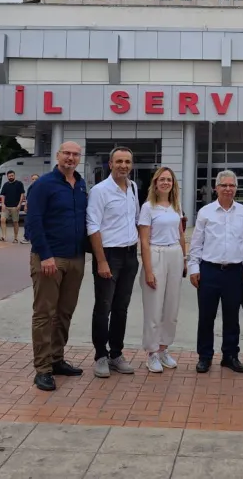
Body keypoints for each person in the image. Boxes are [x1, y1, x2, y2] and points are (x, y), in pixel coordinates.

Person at [25, 142, 88, 392]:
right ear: (57, 155)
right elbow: (33, 221)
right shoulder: (43, 185)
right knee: (44, 314)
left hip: (75, 258)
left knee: (64, 313)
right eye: (67, 154)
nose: (71, 158)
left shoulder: (81, 185)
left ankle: (57, 359)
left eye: (75, 155)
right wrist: (45, 255)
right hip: (49, 259)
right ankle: (42, 369)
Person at [188, 170, 243, 373]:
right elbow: (196, 243)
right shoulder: (205, 212)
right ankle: (205, 356)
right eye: (224, 185)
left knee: (232, 316)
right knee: (206, 316)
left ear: (236, 188)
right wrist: (193, 267)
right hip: (209, 270)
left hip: (234, 272)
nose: (228, 189)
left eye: (231, 185)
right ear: (216, 188)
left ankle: (230, 355)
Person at [86, 147, 140, 379]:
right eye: (119, 161)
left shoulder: (134, 188)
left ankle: (116, 354)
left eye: (127, 161)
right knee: (103, 307)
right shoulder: (100, 191)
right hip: (109, 255)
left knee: (121, 308)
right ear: (110, 164)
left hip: (130, 255)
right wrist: (101, 261)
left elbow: (136, 220)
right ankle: (100, 355)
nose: (123, 166)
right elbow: (93, 226)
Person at [138, 166, 187, 373]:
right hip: (156, 255)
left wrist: (184, 260)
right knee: (154, 308)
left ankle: (164, 348)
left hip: (175, 254)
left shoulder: (176, 206)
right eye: (162, 179)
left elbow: (181, 235)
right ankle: (151, 352)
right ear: (156, 183)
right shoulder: (148, 207)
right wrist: (148, 270)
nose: (166, 182)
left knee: (171, 308)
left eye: (169, 179)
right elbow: (144, 240)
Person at [0, 170, 26, 243]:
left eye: (12, 176)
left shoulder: (19, 184)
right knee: (2, 220)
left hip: (15, 207)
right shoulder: (5, 185)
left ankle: (16, 238)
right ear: (7, 177)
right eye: (9, 176)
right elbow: (3, 195)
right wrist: (3, 204)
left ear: (14, 175)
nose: (11, 177)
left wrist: (19, 204)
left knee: (15, 222)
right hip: (6, 206)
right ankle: (4, 236)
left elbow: (22, 194)